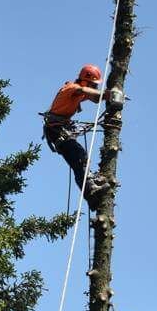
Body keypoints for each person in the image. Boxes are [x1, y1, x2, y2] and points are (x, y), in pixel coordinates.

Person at [43, 63, 111, 205]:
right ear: (86, 81)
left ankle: (91, 188)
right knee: (79, 157)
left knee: (79, 157)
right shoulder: (72, 88)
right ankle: (91, 191)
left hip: (58, 130)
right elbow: (85, 91)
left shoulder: (80, 92)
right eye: (94, 85)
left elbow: (95, 98)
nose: (95, 88)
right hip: (56, 130)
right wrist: (105, 94)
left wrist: (106, 96)